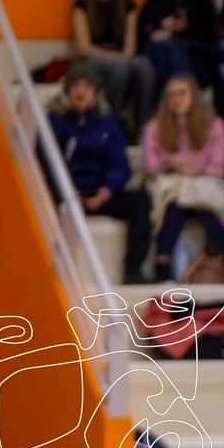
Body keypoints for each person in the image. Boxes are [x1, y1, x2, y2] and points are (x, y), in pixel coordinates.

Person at [47, 63, 151, 283]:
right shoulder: (55, 123)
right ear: (66, 92)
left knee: (141, 201)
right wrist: (68, 193)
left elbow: (120, 166)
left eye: (86, 85)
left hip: (100, 193)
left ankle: (134, 270)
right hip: (68, 194)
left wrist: (105, 192)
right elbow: (50, 164)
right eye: (75, 86)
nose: (81, 91)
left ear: (96, 92)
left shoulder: (108, 124)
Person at [144, 75, 224, 279]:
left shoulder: (215, 124)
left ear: (194, 96)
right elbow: (152, 167)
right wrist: (176, 167)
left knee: (202, 199)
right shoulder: (154, 127)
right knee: (175, 199)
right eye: (171, 95)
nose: (176, 100)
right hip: (172, 184)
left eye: (182, 94)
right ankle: (164, 263)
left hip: (204, 184)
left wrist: (191, 171)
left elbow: (217, 168)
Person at [72, 0, 157, 140]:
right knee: (119, 68)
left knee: (144, 67)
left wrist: (122, 58)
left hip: (122, 58)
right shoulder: (81, 5)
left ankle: (145, 131)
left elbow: (130, 49)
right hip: (92, 61)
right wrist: (118, 59)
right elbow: (83, 48)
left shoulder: (128, 5)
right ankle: (112, 121)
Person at [139, 0, 221, 98]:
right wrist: (159, 28)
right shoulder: (155, 3)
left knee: (172, 47)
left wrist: (175, 34)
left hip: (196, 54)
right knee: (165, 47)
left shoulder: (202, 0)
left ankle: (172, 102)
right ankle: (179, 101)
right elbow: (144, 33)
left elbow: (209, 37)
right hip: (159, 56)